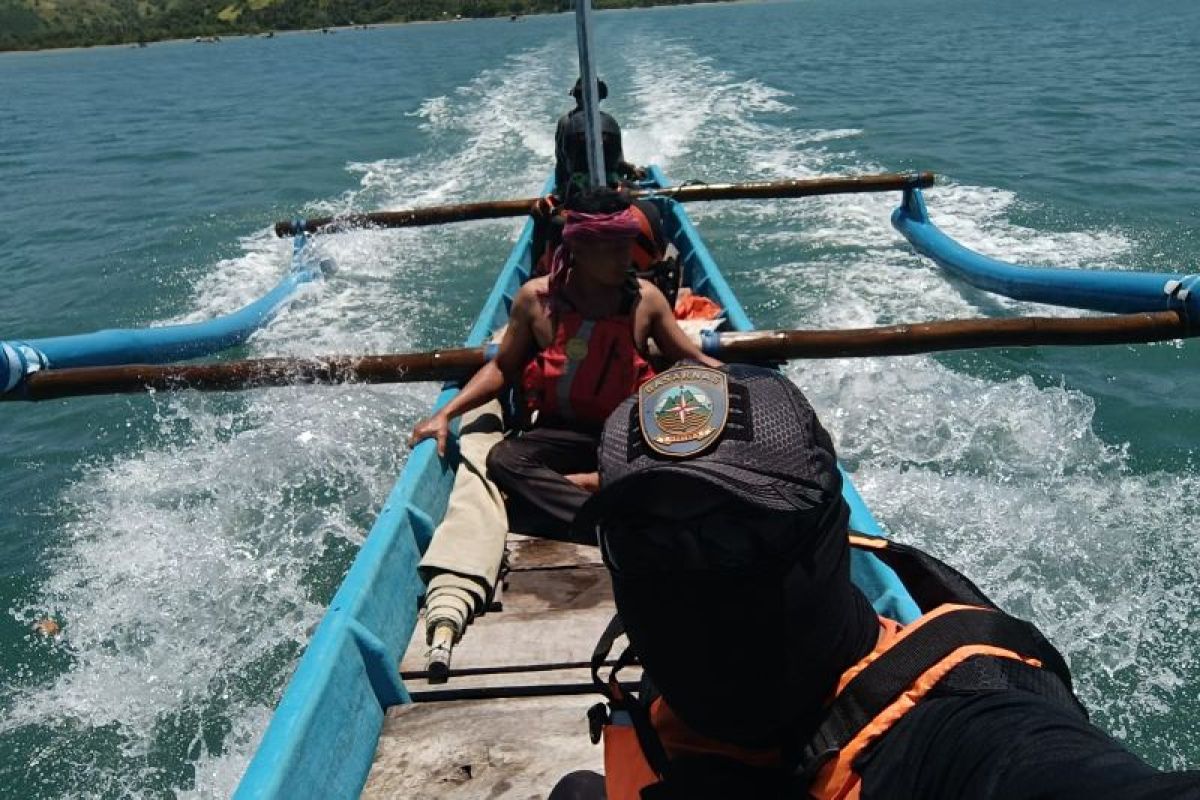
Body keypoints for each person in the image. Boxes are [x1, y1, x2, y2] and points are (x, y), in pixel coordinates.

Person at [549, 362, 1200, 800]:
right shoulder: (676, 655)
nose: (690, 575)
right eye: (644, 540)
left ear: (828, 532)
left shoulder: (963, 734)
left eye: (737, 536)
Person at [410, 187, 721, 545]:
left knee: (684, 463)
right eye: (614, 247)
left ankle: (582, 489)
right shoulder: (535, 300)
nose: (626, 258)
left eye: (627, 244)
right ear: (579, 248)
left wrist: (747, 383)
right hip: (562, 432)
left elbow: (691, 359)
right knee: (505, 460)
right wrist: (445, 414)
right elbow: (501, 369)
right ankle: (613, 526)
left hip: (626, 432)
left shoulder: (644, 300)